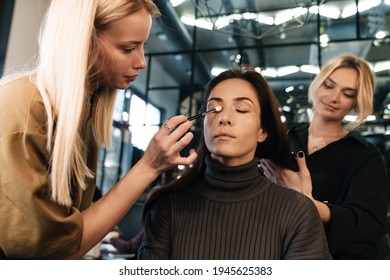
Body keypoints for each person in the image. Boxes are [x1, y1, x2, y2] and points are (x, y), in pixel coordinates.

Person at [0, 0, 198, 259]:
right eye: (128, 48)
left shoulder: (81, 115)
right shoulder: (25, 114)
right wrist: (148, 165)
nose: (141, 62)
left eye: (142, 46)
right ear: (84, 42)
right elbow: (49, 257)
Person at [137, 67, 332, 260]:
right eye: (213, 109)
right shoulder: (167, 205)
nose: (224, 118)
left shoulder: (297, 211)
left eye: (242, 109)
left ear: (262, 131)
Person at [260, 54, 390, 259]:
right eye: (329, 86)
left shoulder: (364, 155)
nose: (334, 97)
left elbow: (370, 223)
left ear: (356, 102)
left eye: (347, 93)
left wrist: (307, 202)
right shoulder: (285, 141)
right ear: (318, 84)